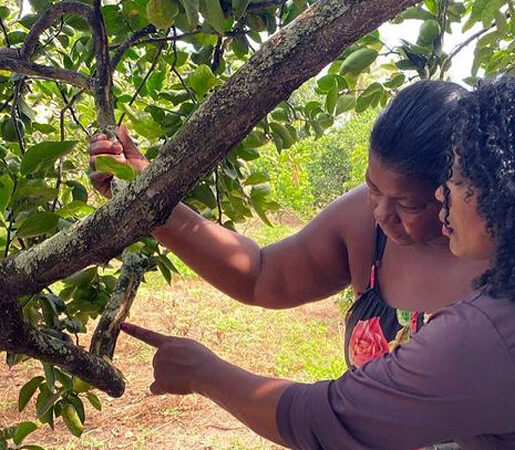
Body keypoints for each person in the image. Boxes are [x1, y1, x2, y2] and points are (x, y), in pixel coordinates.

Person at [120, 74, 515, 449]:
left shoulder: (495, 331)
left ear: (510, 197)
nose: (447, 196)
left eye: (454, 180)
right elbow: (266, 272)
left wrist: (203, 371)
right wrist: (155, 202)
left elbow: (328, 419)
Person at [89, 81, 488, 369]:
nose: (382, 213)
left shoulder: (514, 255)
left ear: (461, 189)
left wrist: (210, 376)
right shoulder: (364, 227)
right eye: (372, 188)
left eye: (408, 204)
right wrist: (148, 196)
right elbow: (262, 275)